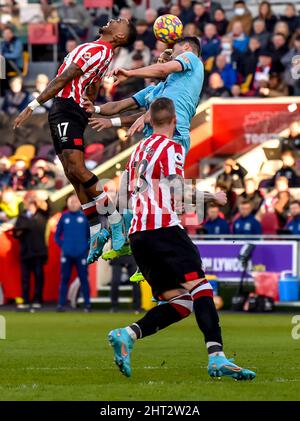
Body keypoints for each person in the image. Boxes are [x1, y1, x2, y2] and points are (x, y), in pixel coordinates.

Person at [108, 97, 255, 381]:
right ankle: (217, 358)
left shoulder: (138, 150)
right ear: (175, 121)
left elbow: (124, 196)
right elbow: (177, 192)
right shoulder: (173, 148)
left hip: (139, 235)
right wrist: (213, 196)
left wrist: (120, 233)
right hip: (163, 230)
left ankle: (127, 335)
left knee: (181, 303)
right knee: (201, 288)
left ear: (149, 120)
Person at [13, 18, 137, 265]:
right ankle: (95, 231)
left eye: (120, 21)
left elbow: (63, 78)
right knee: (71, 173)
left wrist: (33, 104)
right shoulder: (99, 52)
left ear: (120, 36)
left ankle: (114, 221)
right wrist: (88, 104)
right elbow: (92, 85)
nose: (114, 19)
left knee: (77, 168)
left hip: (66, 107)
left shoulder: (98, 50)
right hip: (67, 108)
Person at [55, 194, 91, 312]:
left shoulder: (85, 217)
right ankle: (61, 304)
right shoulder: (64, 217)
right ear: (68, 203)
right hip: (67, 254)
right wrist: (64, 246)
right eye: (71, 202)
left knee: (84, 278)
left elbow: (90, 236)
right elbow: (57, 236)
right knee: (64, 278)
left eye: (76, 201)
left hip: (81, 254)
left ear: (80, 203)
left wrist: (85, 247)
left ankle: (87, 304)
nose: (73, 203)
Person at [13, 195, 49, 309]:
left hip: (39, 252)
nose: (31, 206)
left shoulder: (42, 215)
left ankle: (38, 299)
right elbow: (16, 233)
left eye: (33, 204)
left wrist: (39, 199)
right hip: (26, 252)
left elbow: (49, 207)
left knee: (39, 277)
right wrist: (21, 230)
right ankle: (26, 300)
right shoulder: (22, 217)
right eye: (30, 204)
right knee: (25, 278)